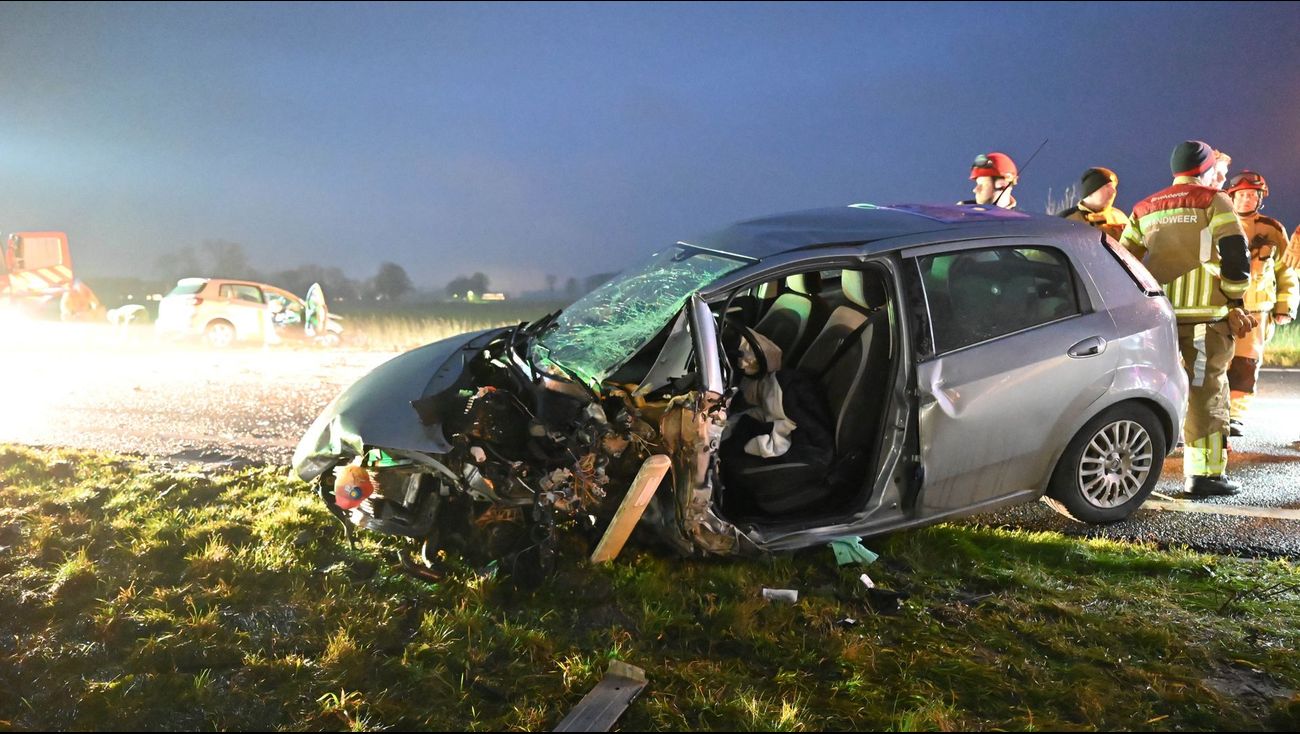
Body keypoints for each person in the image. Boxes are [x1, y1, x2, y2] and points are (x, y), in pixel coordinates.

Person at [1118, 140, 1255, 497]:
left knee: (1151, 387)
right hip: (1206, 318)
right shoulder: (1214, 200)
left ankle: (1129, 471)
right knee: (1205, 392)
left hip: (1156, 318)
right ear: (1206, 170)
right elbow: (1235, 253)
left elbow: (1123, 260)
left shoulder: (1145, 207)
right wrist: (1234, 296)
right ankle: (1204, 475)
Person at [1223, 171, 1297, 434]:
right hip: (1222, 309)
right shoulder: (1219, 223)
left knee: (1246, 364)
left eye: (1252, 195)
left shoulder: (1272, 229)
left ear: (1260, 199)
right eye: (1242, 195)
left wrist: (1285, 307)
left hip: (1257, 311)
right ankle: (1214, 411)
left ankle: (1234, 415)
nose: (1247, 199)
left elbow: (1286, 271)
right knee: (1217, 362)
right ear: (1232, 197)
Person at [1057, 167, 1130, 240]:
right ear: (1091, 190)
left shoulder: (1119, 217)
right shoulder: (1066, 220)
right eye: (1107, 186)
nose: (1113, 191)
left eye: (1114, 187)